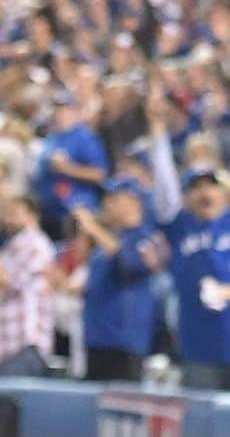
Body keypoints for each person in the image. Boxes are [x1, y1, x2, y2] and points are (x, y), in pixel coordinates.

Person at [147, 83, 230, 393]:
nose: (205, 192)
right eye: (196, 187)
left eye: (211, 185)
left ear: (224, 190)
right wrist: (157, 130)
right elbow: (163, 183)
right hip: (199, 347)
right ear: (187, 196)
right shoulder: (178, 225)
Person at [76, 177, 164, 382]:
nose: (106, 203)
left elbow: (131, 264)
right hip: (96, 339)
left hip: (123, 343)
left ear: (133, 202)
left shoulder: (145, 236)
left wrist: (93, 228)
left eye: (114, 198)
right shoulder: (109, 239)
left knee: (122, 408)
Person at [33, 92, 108, 239]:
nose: (61, 114)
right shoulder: (52, 137)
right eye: (58, 109)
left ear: (76, 111)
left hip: (75, 211)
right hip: (50, 210)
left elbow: (99, 173)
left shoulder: (84, 137)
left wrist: (68, 169)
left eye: (66, 109)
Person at [0, 194, 55, 377]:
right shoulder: (9, 249)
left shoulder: (35, 244)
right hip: (7, 345)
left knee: (12, 404)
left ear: (32, 216)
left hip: (24, 345)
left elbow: (10, 282)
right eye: (6, 213)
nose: (8, 219)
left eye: (14, 213)